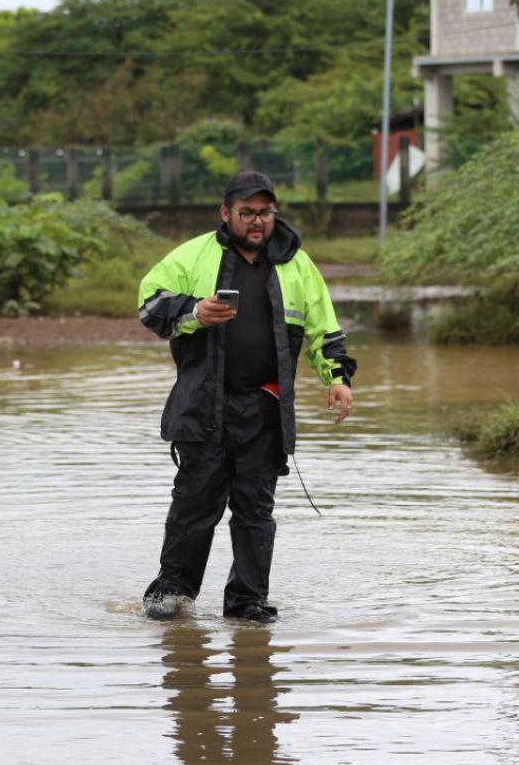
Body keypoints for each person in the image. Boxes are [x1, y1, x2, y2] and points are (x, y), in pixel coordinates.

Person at [136, 170, 356, 623]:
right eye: (247, 213)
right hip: (203, 406)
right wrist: (195, 311)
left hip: (265, 408)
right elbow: (149, 305)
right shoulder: (193, 255)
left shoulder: (297, 264)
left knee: (256, 511)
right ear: (225, 213)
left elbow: (323, 328)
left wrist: (337, 378)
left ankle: (246, 601)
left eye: (265, 213)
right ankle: (172, 592)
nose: (257, 222)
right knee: (194, 504)